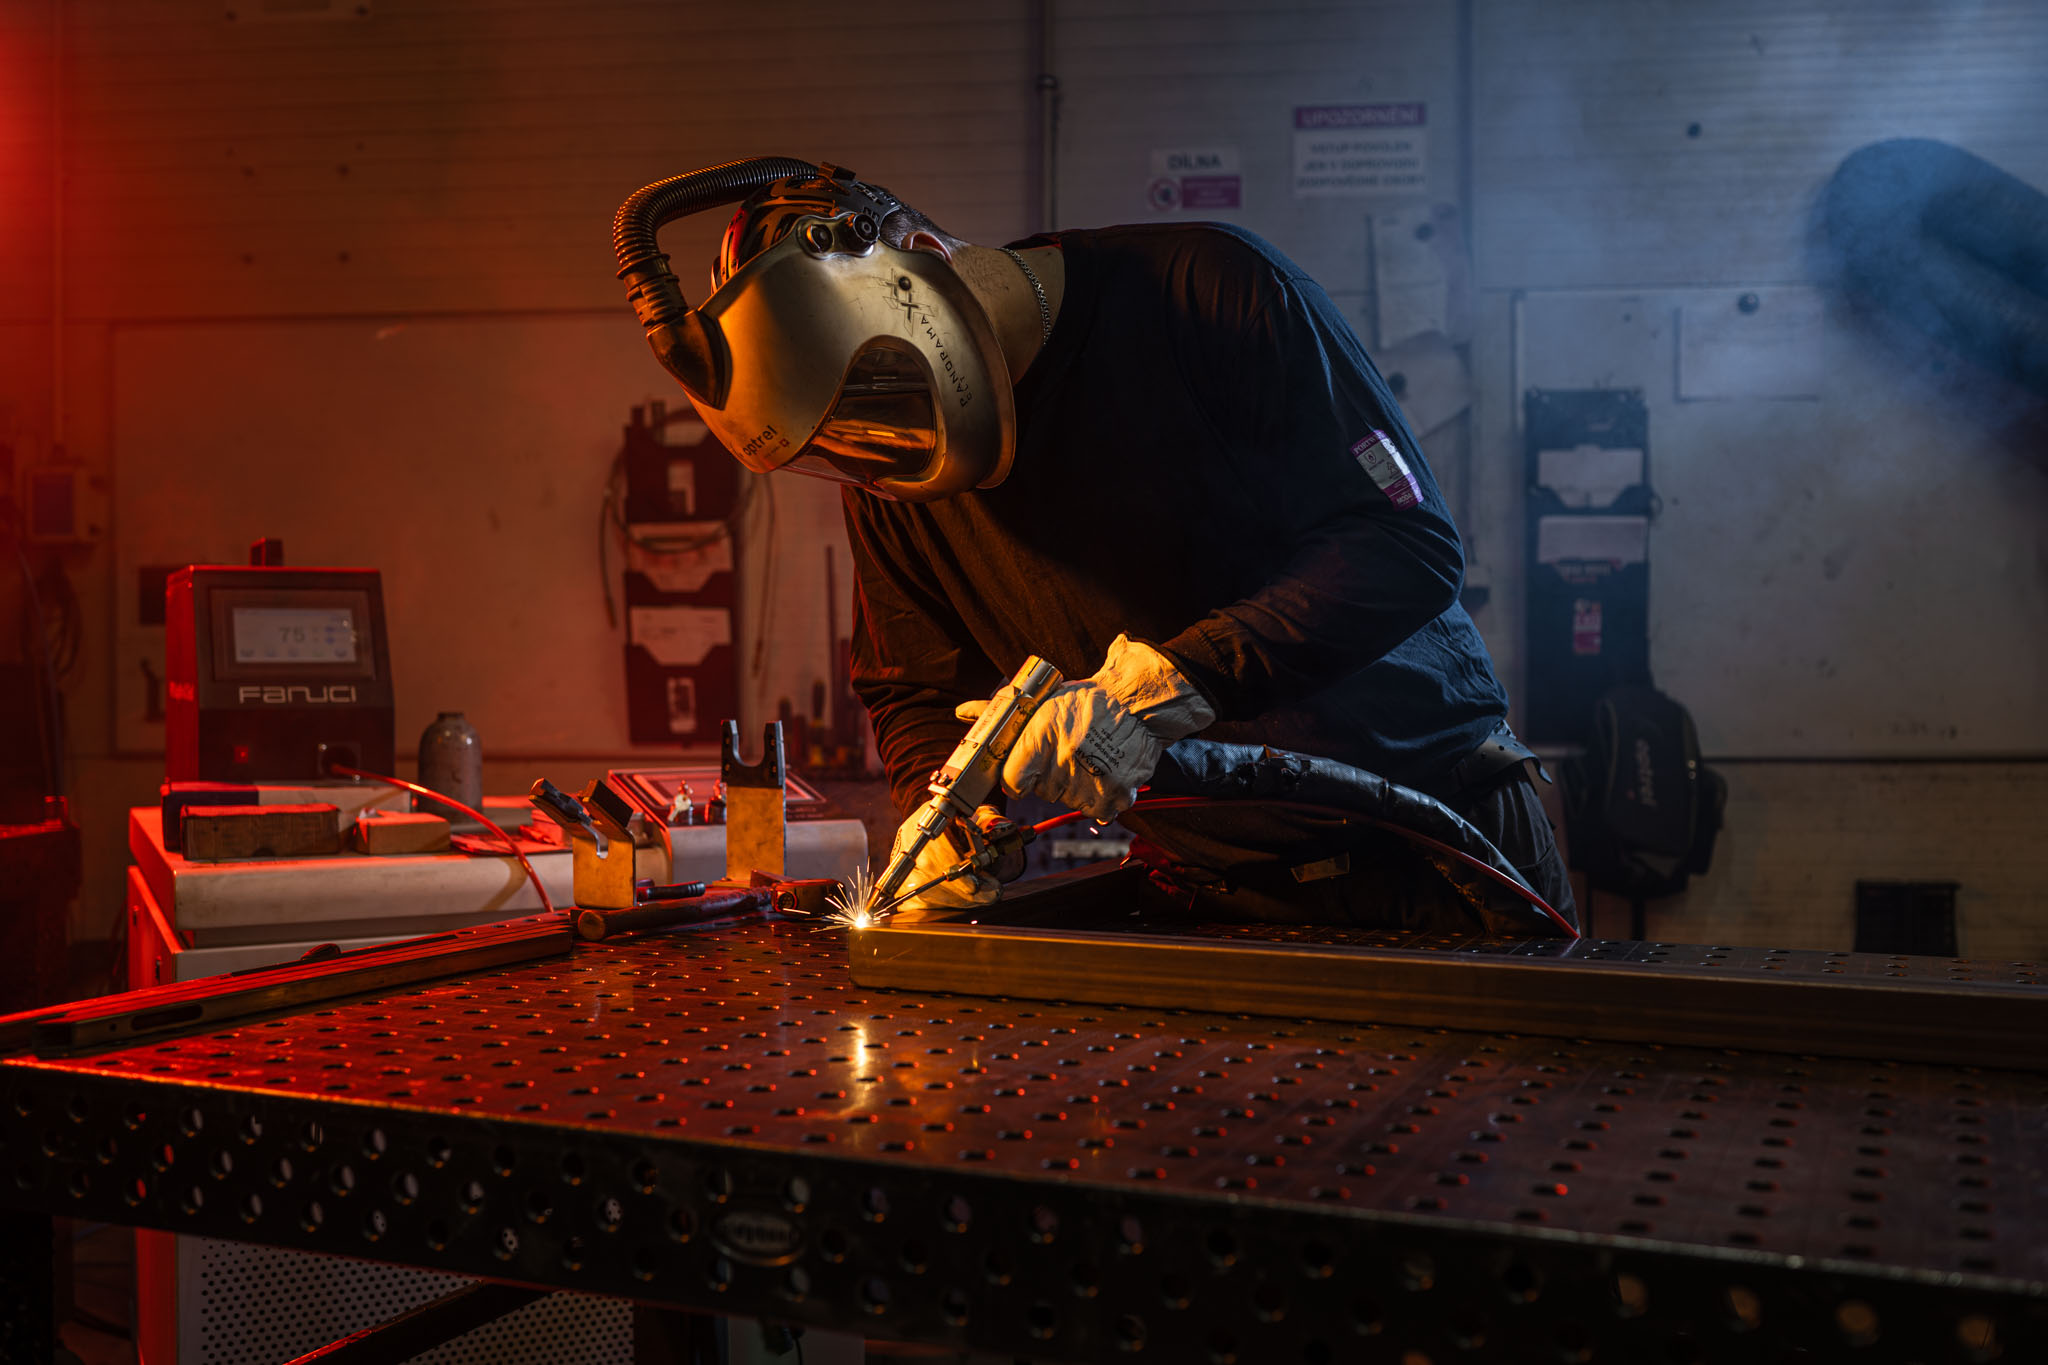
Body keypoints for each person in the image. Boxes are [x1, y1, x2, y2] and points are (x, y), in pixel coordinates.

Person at [670, 162, 1574, 928]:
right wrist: (937, 812)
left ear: (926, 261)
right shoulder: (895, 463)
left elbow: (1404, 542)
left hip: (1442, 850)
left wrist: (1174, 683)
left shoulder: (1210, 294)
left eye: (882, 404)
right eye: (846, 441)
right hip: (1214, 893)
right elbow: (914, 683)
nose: (884, 450)